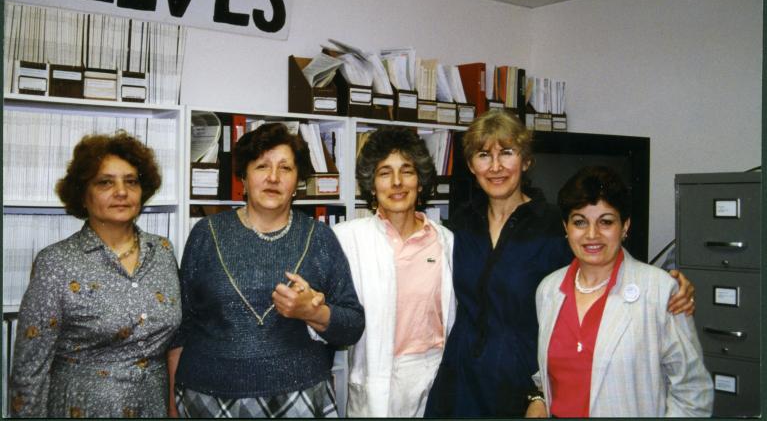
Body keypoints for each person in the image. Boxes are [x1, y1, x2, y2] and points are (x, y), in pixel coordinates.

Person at [425, 109, 696, 417]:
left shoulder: (555, 225)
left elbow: (604, 273)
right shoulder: (459, 225)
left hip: (524, 386)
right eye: (484, 155)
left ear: (526, 161)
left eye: (508, 153)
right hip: (461, 383)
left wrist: (670, 289)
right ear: (472, 165)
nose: (496, 166)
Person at [168, 122, 364, 418]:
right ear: (244, 179)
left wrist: (311, 312)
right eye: (261, 166)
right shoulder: (206, 234)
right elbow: (181, 328)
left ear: (297, 181)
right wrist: (171, 404)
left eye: (285, 168)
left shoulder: (320, 238)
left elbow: (352, 325)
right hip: (206, 395)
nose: (273, 177)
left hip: (298, 395)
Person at [9, 131, 181, 418]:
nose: (122, 192)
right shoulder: (56, 263)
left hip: (153, 406)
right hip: (84, 408)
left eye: (131, 181)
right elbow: (30, 369)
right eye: (105, 182)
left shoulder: (162, 251)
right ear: (83, 195)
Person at [526, 165, 713, 417]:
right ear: (566, 227)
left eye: (606, 222)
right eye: (580, 222)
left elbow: (693, 391)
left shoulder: (660, 290)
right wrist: (539, 398)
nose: (592, 235)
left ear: (625, 226)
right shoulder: (548, 290)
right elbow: (552, 369)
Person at [332, 127, 455, 417]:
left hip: (433, 372)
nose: (397, 183)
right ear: (372, 185)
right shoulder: (346, 238)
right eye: (385, 173)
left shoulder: (446, 242)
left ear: (421, 181)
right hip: (375, 376)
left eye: (407, 171)